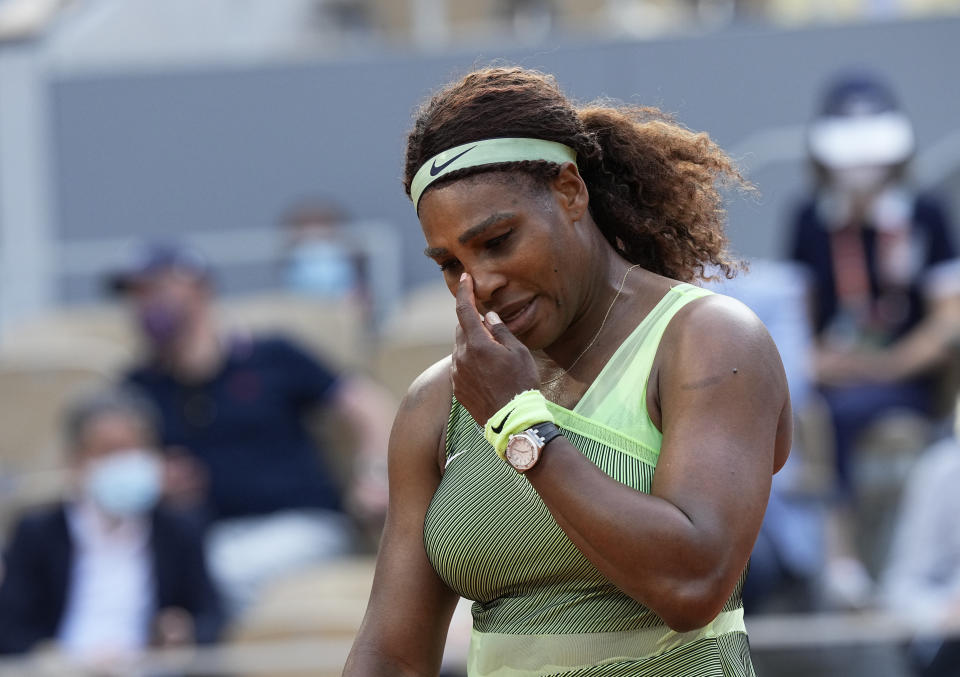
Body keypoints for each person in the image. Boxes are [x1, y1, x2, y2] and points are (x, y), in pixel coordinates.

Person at [343, 66, 791, 676]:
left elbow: (693, 583)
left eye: (498, 240)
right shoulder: (436, 403)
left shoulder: (710, 341)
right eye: (451, 264)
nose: (480, 285)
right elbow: (393, 656)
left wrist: (518, 423)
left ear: (570, 192)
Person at [107, 242, 394, 612]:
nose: (145, 304)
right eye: (135, 294)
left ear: (198, 287)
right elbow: (105, 464)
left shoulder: (271, 355)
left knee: (212, 578)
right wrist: (152, 478)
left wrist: (374, 473)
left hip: (298, 526)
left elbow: (368, 406)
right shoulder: (137, 387)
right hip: (204, 535)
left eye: (155, 289)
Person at [787, 72, 957, 607]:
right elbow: (799, 315)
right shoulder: (811, 219)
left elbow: (948, 321)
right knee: (820, 409)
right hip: (836, 379)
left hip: (909, 378)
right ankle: (839, 559)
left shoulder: (926, 213)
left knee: (853, 412)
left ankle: (891, 564)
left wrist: (890, 365)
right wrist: (819, 360)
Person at [0, 387, 223, 671]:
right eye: (108, 451)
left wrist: (183, 630)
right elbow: (9, 627)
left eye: (135, 449)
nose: (124, 462)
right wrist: (48, 657)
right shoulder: (38, 532)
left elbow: (211, 615)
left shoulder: (178, 529)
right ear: (76, 460)